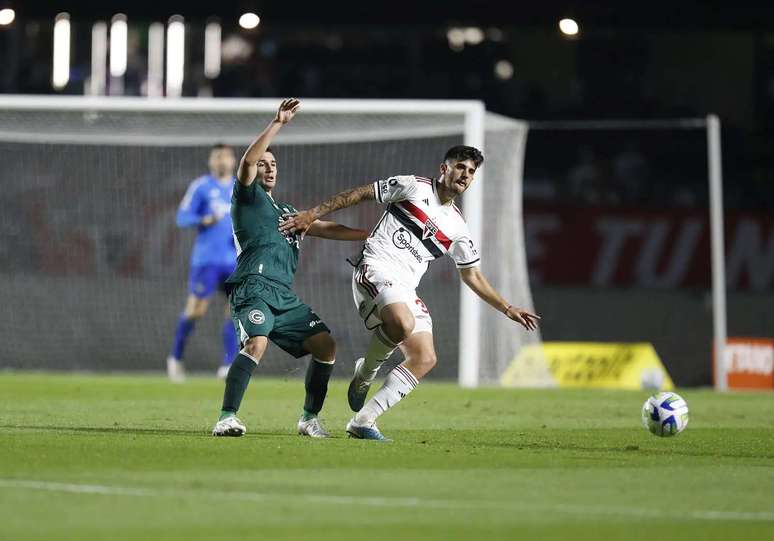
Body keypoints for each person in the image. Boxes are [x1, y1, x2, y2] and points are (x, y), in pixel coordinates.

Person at [279, 145, 541, 441]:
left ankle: (364, 420)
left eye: (470, 172)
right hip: (374, 268)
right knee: (402, 323)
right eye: (460, 167)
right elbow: (358, 194)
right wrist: (311, 214)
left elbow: (472, 275)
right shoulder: (412, 186)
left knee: (425, 357)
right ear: (444, 168)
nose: (465, 175)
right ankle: (366, 373)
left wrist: (508, 308)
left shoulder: (458, 227)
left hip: (405, 288)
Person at [212, 99, 369, 438]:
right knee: (256, 343)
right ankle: (226, 417)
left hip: (282, 294)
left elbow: (326, 228)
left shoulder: (287, 211)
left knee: (325, 345)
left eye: (274, 164)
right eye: (265, 164)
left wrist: (371, 234)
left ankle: (308, 419)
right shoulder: (247, 198)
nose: (268, 168)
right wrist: (278, 123)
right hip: (253, 285)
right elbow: (248, 160)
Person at [167, 143, 239, 383]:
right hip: (206, 260)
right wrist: (203, 219)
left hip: (234, 262)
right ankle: (175, 358)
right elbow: (181, 217)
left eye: (225, 157)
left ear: (233, 161)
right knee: (196, 310)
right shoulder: (201, 187)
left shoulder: (241, 188)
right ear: (211, 161)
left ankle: (228, 364)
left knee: (235, 310)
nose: (221, 161)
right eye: (217, 157)